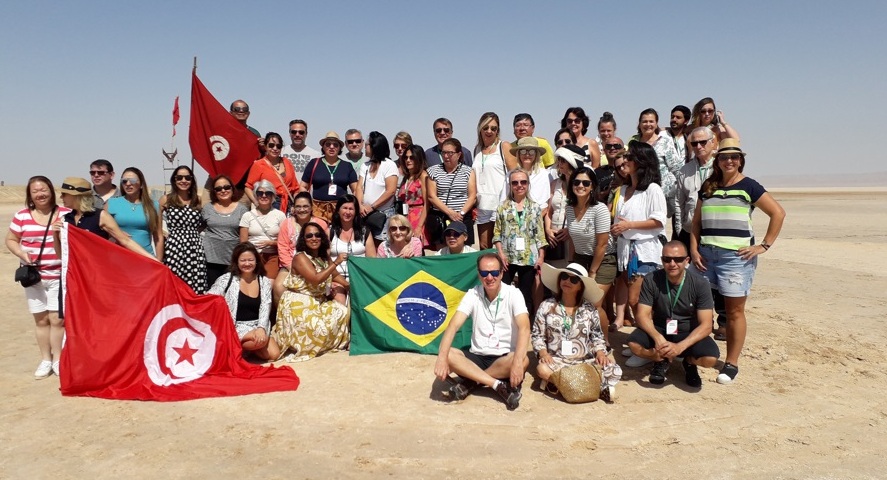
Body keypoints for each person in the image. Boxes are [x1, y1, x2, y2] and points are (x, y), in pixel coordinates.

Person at [690, 139, 785, 385]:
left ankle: (731, 363)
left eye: (734, 157)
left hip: (735, 258)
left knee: (733, 312)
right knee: (697, 307)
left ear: (740, 160)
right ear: (717, 161)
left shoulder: (749, 186)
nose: (729, 161)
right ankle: (692, 354)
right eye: (724, 157)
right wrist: (694, 248)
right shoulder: (708, 186)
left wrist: (763, 246)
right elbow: (697, 222)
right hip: (705, 256)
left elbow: (778, 213)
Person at [434, 253, 530, 410]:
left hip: (504, 357)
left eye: (494, 273)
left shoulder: (514, 293)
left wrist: (518, 363)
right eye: (484, 273)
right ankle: (497, 384)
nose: (490, 277)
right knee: (448, 354)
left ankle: (472, 381)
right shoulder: (473, 294)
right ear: (479, 274)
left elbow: (525, 328)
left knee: (523, 360)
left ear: (501, 273)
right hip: (478, 355)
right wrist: (441, 358)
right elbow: (453, 326)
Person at [628, 241, 720, 388]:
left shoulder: (700, 284)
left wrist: (680, 347)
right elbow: (642, 315)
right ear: (661, 260)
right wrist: (658, 338)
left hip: (687, 330)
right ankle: (659, 359)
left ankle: (688, 362)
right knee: (633, 344)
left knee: (710, 359)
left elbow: (706, 325)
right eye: (667, 259)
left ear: (687, 260)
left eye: (678, 259)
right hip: (660, 328)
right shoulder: (651, 279)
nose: (672, 263)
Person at [6, 176, 70, 378]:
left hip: (58, 275)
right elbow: (11, 239)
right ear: (30, 195)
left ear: (51, 191)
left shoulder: (65, 214)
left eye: (44, 189)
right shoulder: (22, 216)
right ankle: (46, 359)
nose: (40, 194)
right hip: (33, 278)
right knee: (41, 320)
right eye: (35, 191)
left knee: (57, 320)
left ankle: (59, 360)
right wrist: (21, 254)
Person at [610, 142, 667, 369]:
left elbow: (659, 220)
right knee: (635, 302)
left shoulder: (652, 189)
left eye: (630, 158)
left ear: (642, 163)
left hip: (643, 252)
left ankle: (649, 349)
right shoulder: (624, 190)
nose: (626, 161)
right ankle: (640, 342)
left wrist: (629, 226)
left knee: (638, 301)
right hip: (625, 251)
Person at [535, 263, 621, 402]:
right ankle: (596, 389)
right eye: (564, 277)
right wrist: (543, 353)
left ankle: (560, 386)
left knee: (610, 365)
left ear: (581, 285)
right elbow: (537, 335)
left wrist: (600, 352)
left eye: (573, 279)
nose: (567, 281)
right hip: (557, 360)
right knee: (542, 369)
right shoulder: (546, 306)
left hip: (584, 360)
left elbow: (597, 336)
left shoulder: (589, 309)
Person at [267, 223, 350, 362]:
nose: (314, 238)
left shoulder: (323, 257)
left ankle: (322, 343)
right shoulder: (300, 257)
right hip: (299, 302)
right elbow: (315, 279)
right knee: (318, 328)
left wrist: (349, 285)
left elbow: (334, 275)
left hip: (317, 301)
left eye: (317, 235)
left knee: (341, 311)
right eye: (309, 235)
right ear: (303, 239)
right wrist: (336, 262)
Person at [564, 166, 614, 335]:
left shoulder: (599, 209)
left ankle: (604, 342)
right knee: (577, 300)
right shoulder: (569, 208)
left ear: (592, 186)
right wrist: (571, 263)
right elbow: (572, 238)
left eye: (586, 182)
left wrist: (592, 272)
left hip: (603, 260)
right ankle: (584, 339)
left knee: (594, 303)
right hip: (579, 259)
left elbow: (602, 244)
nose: (581, 185)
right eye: (577, 182)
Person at [493, 168, 547, 314]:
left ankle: (526, 326)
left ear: (528, 184)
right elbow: (497, 234)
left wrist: (541, 257)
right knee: (503, 293)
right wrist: (500, 254)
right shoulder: (502, 207)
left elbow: (540, 235)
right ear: (510, 185)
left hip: (528, 257)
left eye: (523, 182)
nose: (519, 185)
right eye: (515, 182)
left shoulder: (535, 207)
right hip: (507, 257)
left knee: (525, 295)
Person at [208, 242, 273, 359]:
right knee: (259, 342)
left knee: (274, 354)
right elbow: (209, 299)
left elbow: (265, 305)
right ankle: (234, 345)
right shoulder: (226, 279)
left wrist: (261, 328)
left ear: (256, 261)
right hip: (236, 326)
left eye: (250, 260)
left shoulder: (264, 281)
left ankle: (239, 348)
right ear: (236, 262)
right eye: (243, 260)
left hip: (257, 324)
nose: (247, 263)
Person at [473, 112, 516, 250]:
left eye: (494, 128)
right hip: (482, 205)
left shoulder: (504, 146)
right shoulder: (477, 149)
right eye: (486, 127)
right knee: (484, 247)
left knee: (502, 247)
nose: (489, 131)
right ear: (480, 128)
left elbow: (515, 175)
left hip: (500, 203)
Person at [160, 166, 207, 294]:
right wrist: (164, 234)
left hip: (195, 247)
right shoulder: (166, 199)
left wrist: (194, 233)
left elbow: (204, 223)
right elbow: (155, 223)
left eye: (187, 177)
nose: (183, 180)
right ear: (174, 180)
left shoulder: (198, 200)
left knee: (195, 283)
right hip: (175, 246)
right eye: (179, 177)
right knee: (175, 282)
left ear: (192, 180)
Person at [276, 191, 328, 300]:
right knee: (279, 287)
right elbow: (283, 249)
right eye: (298, 207)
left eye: (305, 206)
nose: (302, 209)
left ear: (311, 207)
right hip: (290, 266)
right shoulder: (286, 224)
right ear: (294, 208)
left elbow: (326, 246)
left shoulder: (321, 224)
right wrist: (294, 268)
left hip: (316, 265)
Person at [427, 137, 477, 248]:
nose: (446, 156)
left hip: (462, 217)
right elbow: (432, 196)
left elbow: (472, 196)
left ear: (458, 154)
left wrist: (461, 213)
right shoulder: (433, 171)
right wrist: (450, 213)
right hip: (441, 217)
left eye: (450, 153)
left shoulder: (468, 171)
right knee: (442, 252)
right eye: (443, 152)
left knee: (464, 251)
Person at [202, 175, 250, 287]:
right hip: (210, 260)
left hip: (232, 260)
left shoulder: (242, 209)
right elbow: (199, 227)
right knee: (214, 294)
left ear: (232, 189)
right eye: (218, 189)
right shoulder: (207, 208)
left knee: (231, 293)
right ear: (214, 192)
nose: (223, 190)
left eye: (226, 187)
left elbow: (244, 237)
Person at [105, 167, 162, 259]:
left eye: (133, 180)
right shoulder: (111, 203)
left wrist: (159, 261)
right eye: (124, 181)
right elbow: (102, 229)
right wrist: (116, 233)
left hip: (145, 258)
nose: (128, 184)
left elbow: (158, 236)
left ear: (141, 184)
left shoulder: (153, 205)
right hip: (118, 258)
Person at [301, 131, 358, 223]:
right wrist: (306, 204)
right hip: (317, 210)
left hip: (341, 211)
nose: (331, 147)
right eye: (328, 144)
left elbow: (356, 189)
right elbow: (303, 186)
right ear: (323, 147)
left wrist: (354, 207)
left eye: (335, 145)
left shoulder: (347, 166)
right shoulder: (314, 163)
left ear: (339, 148)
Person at [328, 194, 376, 303]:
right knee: (339, 302)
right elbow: (326, 260)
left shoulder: (365, 232)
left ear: (356, 212)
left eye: (351, 209)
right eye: (344, 208)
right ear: (338, 211)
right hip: (336, 278)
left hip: (359, 279)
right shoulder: (330, 232)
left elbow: (372, 259)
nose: (348, 212)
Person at [545, 146, 585, 266]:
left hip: (574, 238)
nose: (559, 163)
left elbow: (586, 211)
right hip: (555, 238)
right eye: (559, 160)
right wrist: (548, 229)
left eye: (563, 160)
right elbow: (549, 211)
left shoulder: (583, 184)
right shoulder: (554, 184)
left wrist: (570, 230)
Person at [239, 180, 286, 281]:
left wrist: (271, 243)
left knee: (268, 283)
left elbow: (285, 241)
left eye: (268, 193)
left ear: (273, 196)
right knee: (252, 282)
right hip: (252, 255)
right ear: (256, 195)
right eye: (260, 193)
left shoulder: (280, 215)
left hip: (272, 256)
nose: (264, 196)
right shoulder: (247, 216)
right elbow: (243, 242)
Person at [356, 131, 398, 241]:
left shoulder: (389, 165)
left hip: (384, 215)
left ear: (375, 146)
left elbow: (391, 191)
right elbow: (359, 187)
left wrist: (372, 207)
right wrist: (360, 205)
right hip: (365, 215)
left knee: (382, 247)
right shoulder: (365, 166)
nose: (364, 147)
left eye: (367, 144)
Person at [245, 132, 299, 213]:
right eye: (271, 145)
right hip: (269, 203)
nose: (275, 148)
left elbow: (295, 188)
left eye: (278, 146)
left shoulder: (287, 162)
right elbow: (248, 187)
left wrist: (296, 204)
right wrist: (257, 203)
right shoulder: (259, 164)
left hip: (288, 204)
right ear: (266, 146)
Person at [634, 108, 681, 203]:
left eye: (651, 121)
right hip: (640, 194)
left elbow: (676, 169)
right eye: (644, 122)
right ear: (639, 124)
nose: (648, 124)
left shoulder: (665, 142)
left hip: (664, 196)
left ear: (656, 124)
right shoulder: (634, 144)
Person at [395, 145, 430, 245]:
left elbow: (427, 204)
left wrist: (419, 226)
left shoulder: (423, 175)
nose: (408, 160)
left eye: (412, 157)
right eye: (406, 157)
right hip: (405, 216)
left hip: (418, 217)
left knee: (416, 248)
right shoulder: (407, 177)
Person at [511, 137, 551, 209]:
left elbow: (545, 204)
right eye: (523, 151)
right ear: (518, 154)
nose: (527, 155)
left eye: (531, 151)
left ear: (536, 154)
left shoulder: (544, 174)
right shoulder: (510, 175)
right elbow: (505, 200)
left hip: (538, 216)